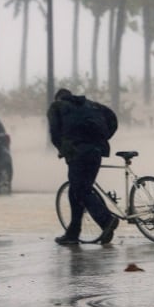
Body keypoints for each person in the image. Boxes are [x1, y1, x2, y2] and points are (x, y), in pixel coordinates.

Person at [47, 88, 119, 246]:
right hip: (96, 152)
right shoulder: (91, 105)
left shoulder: (56, 107)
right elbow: (112, 119)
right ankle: (73, 233)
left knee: (81, 190)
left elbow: (54, 134)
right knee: (76, 191)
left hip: (77, 153)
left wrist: (63, 150)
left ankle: (107, 220)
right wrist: (101, 139)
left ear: (58, 98)